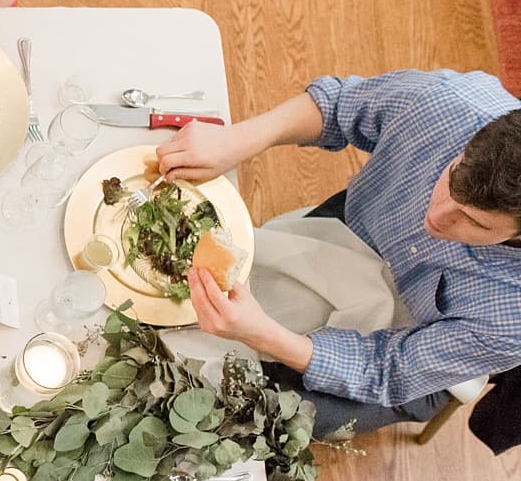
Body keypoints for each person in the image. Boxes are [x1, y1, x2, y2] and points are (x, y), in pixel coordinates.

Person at [159, 68, 521, 433]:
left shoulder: (514, 318)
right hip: (356, 230)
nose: (436, 216)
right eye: (451, 173)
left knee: (238, 417)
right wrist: (239, 138)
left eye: (474, 222)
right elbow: (338, 106)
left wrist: (261, 334)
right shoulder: (453, 102)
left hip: (416, 352)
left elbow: (388, 370)